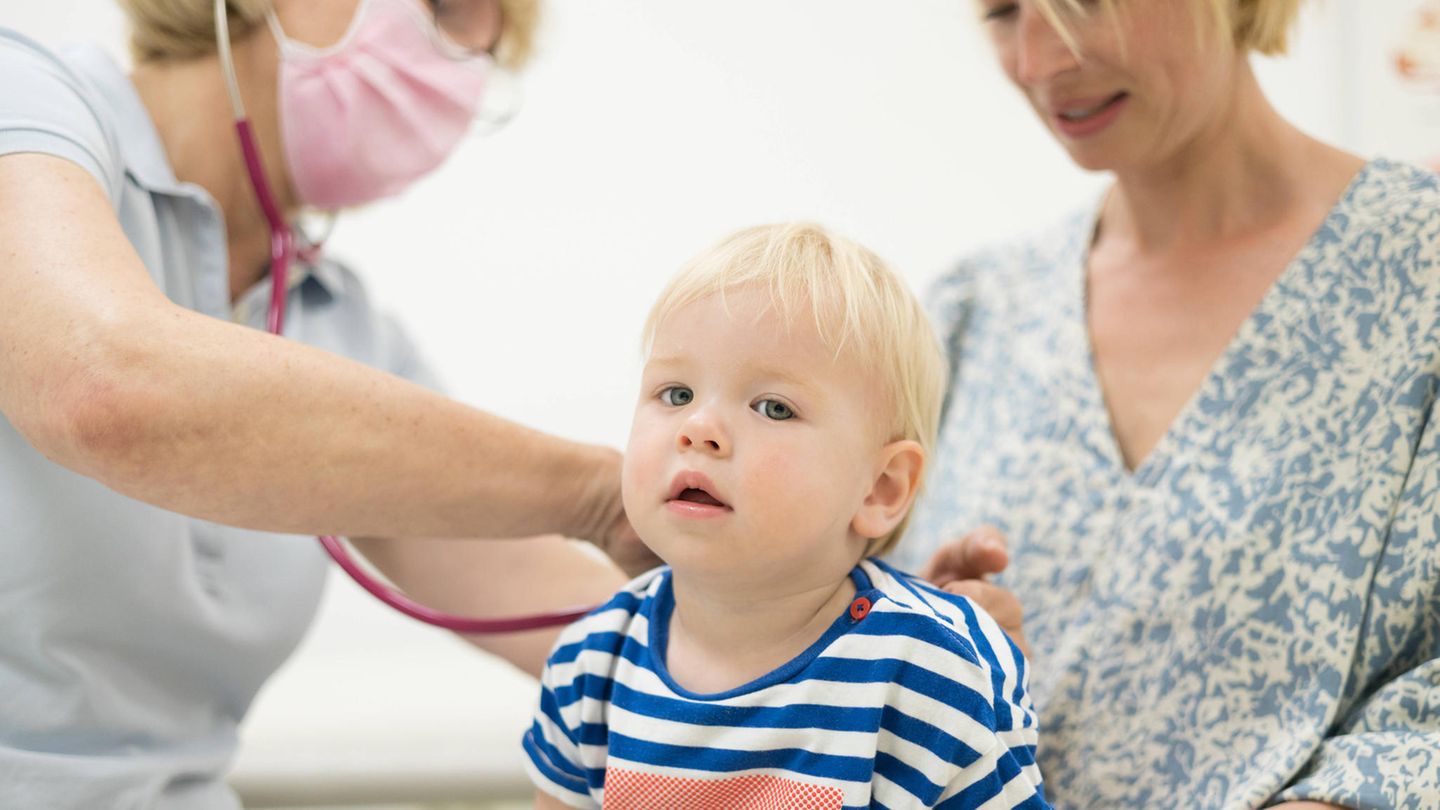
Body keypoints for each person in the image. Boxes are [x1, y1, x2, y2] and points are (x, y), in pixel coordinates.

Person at [0, 1, 645, 806]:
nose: (463, 61)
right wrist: (597, 493)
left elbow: (567, 614)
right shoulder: (23, 101)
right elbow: (101, 382)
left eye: (483, 51)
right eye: (447, 7)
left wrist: (795, 626)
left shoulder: (341, 329)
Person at [897, 1, 1440, 808]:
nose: (1040, 61)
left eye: (1086, 3)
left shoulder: (1419, 276)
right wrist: (913, 628)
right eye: (1006, 12)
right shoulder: (973, 313)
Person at [522, 223, 1050, 809]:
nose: (698, 430)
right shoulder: (589, 665)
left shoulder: (928, 674)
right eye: (675, 394)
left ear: (879, 488)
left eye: (773, 407)